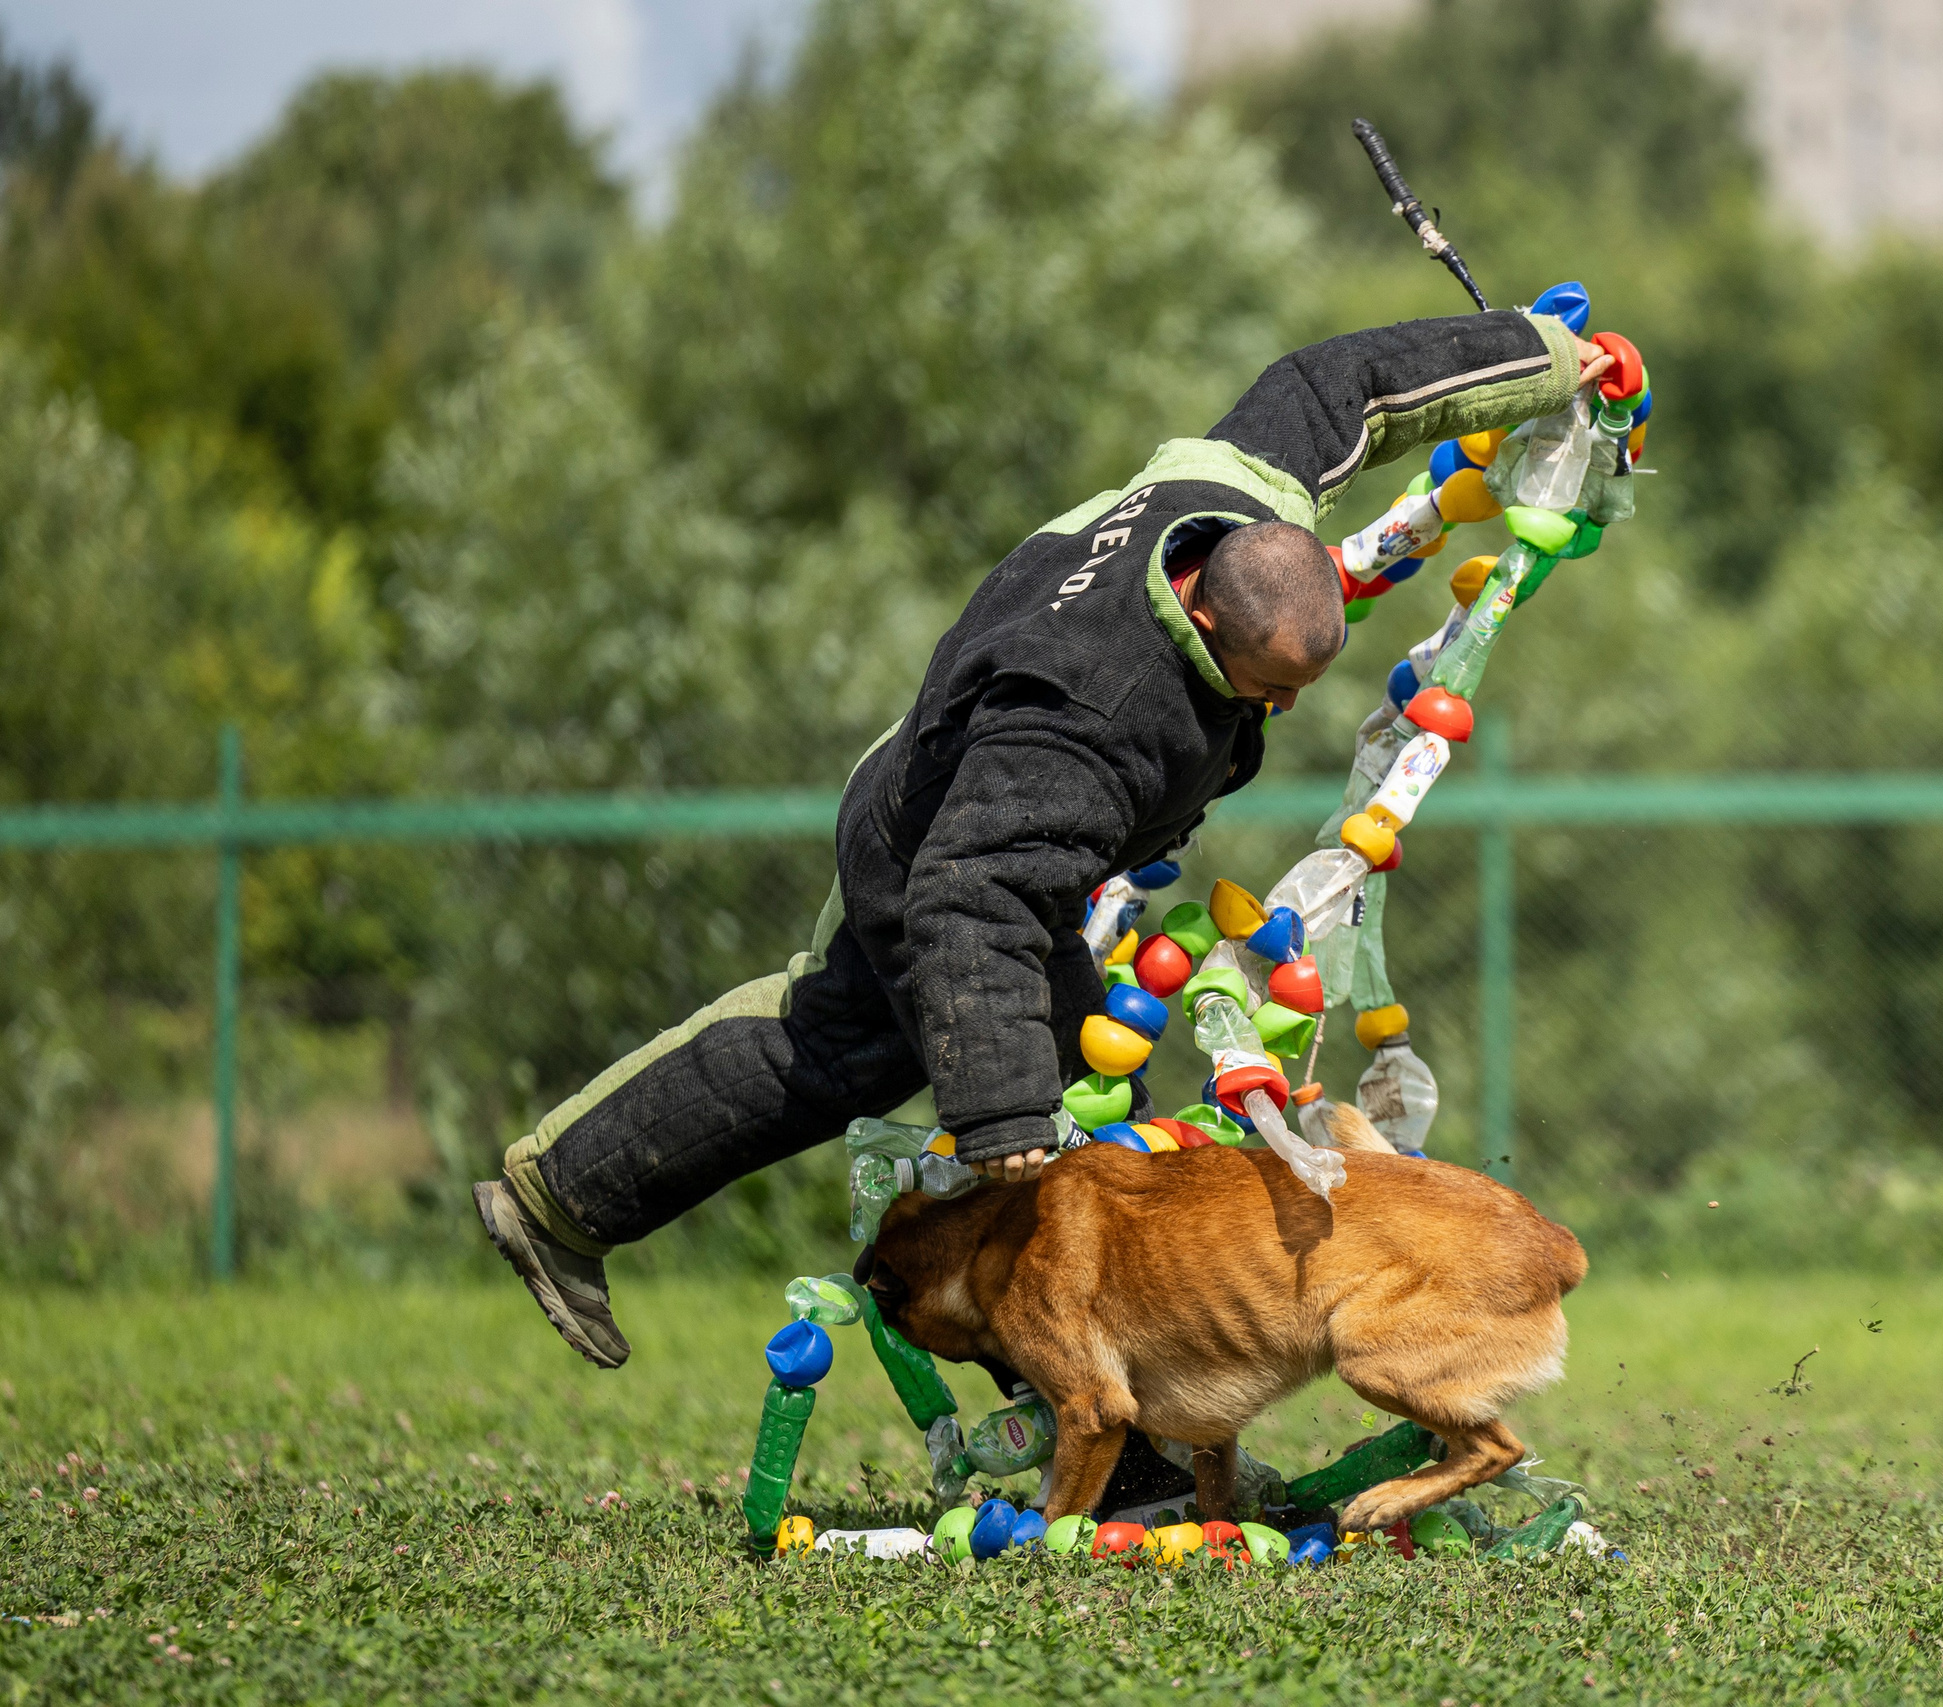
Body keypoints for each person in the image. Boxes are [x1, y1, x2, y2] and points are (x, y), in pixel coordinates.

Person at [474, 308, 1617, 1367]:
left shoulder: (1223, 487)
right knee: (939, 1097)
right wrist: (1003, 1111)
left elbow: (1345, 386)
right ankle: (1104, 1430)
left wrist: (1540, 357)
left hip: (963, 792)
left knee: (1063, 1091)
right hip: (931, 842)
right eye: (1262, 687)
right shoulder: (1091, 718)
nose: (1279, 712)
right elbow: (968, 896)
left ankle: (566, 1198)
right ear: (1207, 615)